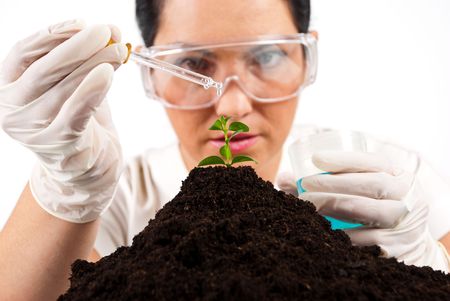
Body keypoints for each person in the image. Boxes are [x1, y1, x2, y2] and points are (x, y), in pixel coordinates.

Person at [0, 0, 449, 299]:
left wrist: (430, 264)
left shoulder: (391, 182)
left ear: (307, 58)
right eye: (192, 63)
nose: (232, 105)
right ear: (151, 72)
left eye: (268, 56)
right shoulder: (118, 199)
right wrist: (67, 187)